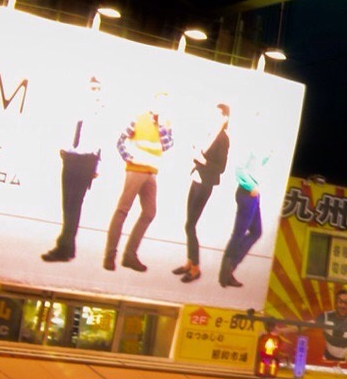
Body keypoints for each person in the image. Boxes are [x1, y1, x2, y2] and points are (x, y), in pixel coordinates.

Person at [103, 95, 175, 273]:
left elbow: (167, 145)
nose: (161, 105)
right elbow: (120, 141)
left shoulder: (165, 123)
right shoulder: (138, 118)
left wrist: (161, 127)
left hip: (151, 171)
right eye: (159, 101)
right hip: (136, 169)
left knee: (150, 212)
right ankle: (110, 256)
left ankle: (129, 256)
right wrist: (129, 157)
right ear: (153, 103)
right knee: (123, 209)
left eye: (165, 103)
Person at [40, 74, 106, 264]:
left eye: (98, 89)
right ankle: (69, 248)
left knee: (73, 205)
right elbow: (65, 129)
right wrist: (63, 150)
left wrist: (97, 165)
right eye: (93, 89)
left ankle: (63, 247)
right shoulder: (77, 109)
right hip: (70, 159)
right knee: (66, 204)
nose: (96, 93)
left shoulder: (100, 113)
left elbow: (102, 142)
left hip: (85, 161)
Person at [174, 103, 230, 283]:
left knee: (190, 225)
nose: (213, 118)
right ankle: (190, 262)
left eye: (218, 115)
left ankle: (196, 267)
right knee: (188, 224)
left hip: (205, 183)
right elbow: (198, 152)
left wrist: (202, 160)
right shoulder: (208, 134)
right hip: (196, 178)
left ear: (225, 118)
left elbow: (221, 168)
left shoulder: (223, 138)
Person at [217, 142, 267, 289]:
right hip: (247, 192)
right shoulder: (250, 143)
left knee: (256, 231)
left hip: (253, 193)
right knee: (238, 234)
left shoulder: (261, 144)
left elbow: (257, 166)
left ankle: (229, 268)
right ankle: (226, 273)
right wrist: (251, 186)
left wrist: (269, 155)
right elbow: (239, 170)